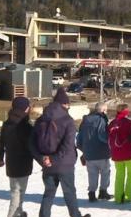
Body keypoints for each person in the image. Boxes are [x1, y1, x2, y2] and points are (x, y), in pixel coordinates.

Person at [30, 88, 91, 217]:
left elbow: (32, 143)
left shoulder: (41, 120)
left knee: (49, 193)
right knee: (69, 193)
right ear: (64, 104)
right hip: (64, 164)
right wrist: (53, 158)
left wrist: (43, 158)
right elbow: (68, 145)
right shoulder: (68, 120)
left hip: (47, 164)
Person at [0, 97, 34, 217]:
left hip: (12, 164)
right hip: (23, 165)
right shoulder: (26, 127)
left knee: (18, 192)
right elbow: (32, 146)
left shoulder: (7, 124)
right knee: (17, 194)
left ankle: (19, 213)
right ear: (26, 108)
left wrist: (0, 158)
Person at [76, 102, 112, 202]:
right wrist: (110, 142)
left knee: (92, 174)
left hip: (88, 153)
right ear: (103, 110)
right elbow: (102, 136)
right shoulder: (101, 120)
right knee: (105, 172)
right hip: (101, 152)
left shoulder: (85, 121)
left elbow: (79, 137)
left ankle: (92, 193)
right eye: (106, 110)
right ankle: (103, 192)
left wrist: (83, 149)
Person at [107, 103, 131, 204]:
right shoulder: (129, 123)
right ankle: (129, 196)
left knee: (119, 175)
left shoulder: (112, 123)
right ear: (126, 112)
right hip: (129, 153)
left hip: (116, 154)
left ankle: (118, 197)